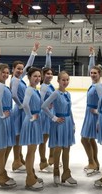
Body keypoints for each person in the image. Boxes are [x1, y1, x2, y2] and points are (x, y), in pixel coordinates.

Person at [41, 71, 77, 186]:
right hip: (58, 124)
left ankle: (66, 173)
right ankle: (56, 172)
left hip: (67, 123)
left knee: (67, 148)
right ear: (58, 81)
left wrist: (73, 123)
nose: (65, 82)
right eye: (63, 80)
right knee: (58, 149)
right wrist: (54, 118)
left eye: (67, 80)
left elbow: (69, 110)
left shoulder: (68, 94)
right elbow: (44, 106)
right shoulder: (55, 93)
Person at [10, 41, 40, 172]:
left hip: (22, 110)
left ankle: (20, 158)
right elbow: (14, 95)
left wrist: (33, 51)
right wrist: (21, 105)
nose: (21, 71)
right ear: (13, 69)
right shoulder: (15, 80)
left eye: (21, 69)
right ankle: (16, 161)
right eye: (18, 69)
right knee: (17, 136)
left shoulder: (19, 78)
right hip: (20, 110)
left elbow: (28, 66)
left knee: (20, 136)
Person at [0, 63, 16, 188]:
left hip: (6, 118)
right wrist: (1, 115)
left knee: (6, 147)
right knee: (2, 149)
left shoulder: (2, 85)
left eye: (7, 72)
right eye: (3, 72)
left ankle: (1, 173)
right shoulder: (0, 85)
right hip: (3, 119)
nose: (6, 75)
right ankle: (1, 174)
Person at [19, 67, 44, 190]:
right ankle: (29, 178)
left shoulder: (34, 89)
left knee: (32, 151)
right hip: (31, 122)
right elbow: (24, 104)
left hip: (35, 121)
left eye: (39, 76)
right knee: (31, 151)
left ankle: (32, 174)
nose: (38, 78)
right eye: (35, 76)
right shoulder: (29, 89)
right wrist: (31, 117)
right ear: (29, 77)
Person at [81, 46, 102, 176]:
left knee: (85, 139)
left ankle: (92, 162)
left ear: (99, 74)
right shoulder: (94, 84)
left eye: (95, 73)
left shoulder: (99, 86)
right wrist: (91, 55)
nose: (93, 74)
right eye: (92, 73)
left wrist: (98, 112)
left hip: (93, 115)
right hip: (89, 113)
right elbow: (91, 67)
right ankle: (95, 162)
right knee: (90, 140)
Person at [39, 45, 55, 173]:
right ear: (43, 75)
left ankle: (51, 158)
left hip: (51, 114)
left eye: (51, 73)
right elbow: (40, 102)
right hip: (45, 115)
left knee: (51, 137)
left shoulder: (49, 85)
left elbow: (47, 67)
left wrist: (49, 53)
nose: (49, 75)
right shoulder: (44, 86)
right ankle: (43, 161)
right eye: (47, 74)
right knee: (44, 139)